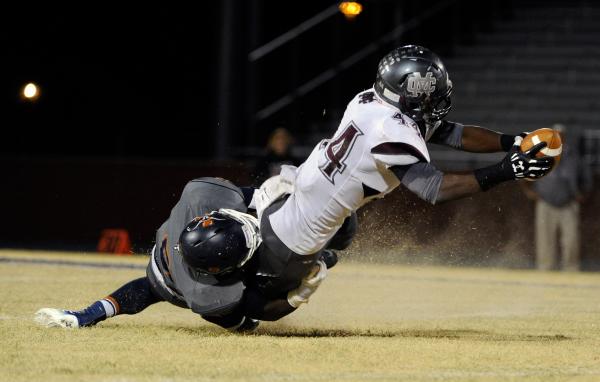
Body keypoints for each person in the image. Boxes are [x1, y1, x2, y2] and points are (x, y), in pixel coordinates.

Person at [248, 45, 555, 289]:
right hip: (304, 225)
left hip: (311, 187)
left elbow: (455, 134)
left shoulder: (372, 102)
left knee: (346, 229)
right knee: (269, 295)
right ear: (409, 95)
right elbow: (435, 189)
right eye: (430, 92)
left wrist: (513, 141)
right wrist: (507, 171)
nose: (437, 97)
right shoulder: (389, 131)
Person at [35, 177, 354, 331]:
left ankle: (87, 315)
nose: (255, 231)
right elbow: (259, 311)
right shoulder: (212, 298)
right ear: (225, 272)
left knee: (146, 289)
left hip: (167, 269)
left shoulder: (200, 201)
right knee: (249, 320)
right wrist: (299, 293)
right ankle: (87, 316)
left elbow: (246, 198)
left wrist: (269, 193)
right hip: (180, 285)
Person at [521, 124, 593, 271]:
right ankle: (545, 268)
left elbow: (586, 177)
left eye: (561, 135)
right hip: (545, 202)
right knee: (545, 239)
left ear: (564, 137)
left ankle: (571, 268)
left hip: (568, 203)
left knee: (571, 239)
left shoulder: (574, 156)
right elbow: (524, 173)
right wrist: (528, 191)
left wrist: (583, 194)